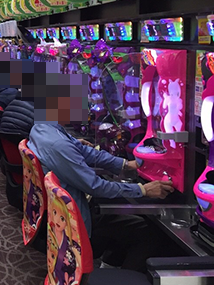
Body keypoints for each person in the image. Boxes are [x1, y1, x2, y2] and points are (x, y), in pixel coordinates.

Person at [28, 94, 175, 272]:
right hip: (76, 222)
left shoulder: (43, 127)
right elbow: (95, 186)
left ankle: (109, 267)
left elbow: (84, 151)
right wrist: (143, 190)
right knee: (147, 233)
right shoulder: (58, 144)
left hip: (63, 213)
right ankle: (122, 277)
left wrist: (125, 164)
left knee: (128, 218)